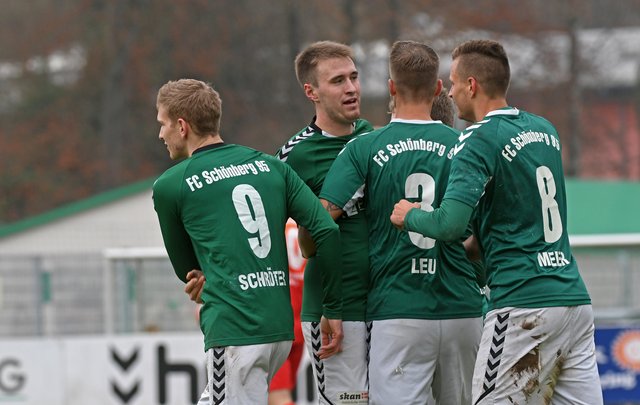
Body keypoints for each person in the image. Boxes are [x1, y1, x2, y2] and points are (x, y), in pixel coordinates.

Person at [390, 39, 603, 404]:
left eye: (454, 82)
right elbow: (509, 219)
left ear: (471, 85)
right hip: (573, 301)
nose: (450, 93)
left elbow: (449, 225)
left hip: (523, 306)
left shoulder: (477, 137)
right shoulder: (545, 131)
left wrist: (410, 216)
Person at [152, 78, 343, 405]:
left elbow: (188, 272)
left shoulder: (170, 185)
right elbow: (326, 230)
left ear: (181, 126)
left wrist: (203, 278)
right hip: (280, 329)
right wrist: (334, 306)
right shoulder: (272, 166)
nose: (160, 134)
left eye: (163, 123)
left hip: (235, 330)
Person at [320, 40, 483, 405]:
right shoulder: (466, 146)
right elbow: (483, 233)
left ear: (391, 87)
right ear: (438, 88)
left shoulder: (364, 147)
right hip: (462, 308)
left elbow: (322, 220)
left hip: (398, 310)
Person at [275, 40, 373, 404]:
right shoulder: (294, 154)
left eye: (354, 77)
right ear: (311, 92)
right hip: (335, 311)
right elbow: (263, 226)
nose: (351, 88)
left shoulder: (373, 137)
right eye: (337, 81)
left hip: (390, 304)